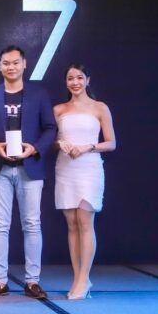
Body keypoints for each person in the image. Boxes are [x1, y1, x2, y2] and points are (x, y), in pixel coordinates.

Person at [0, 45, 57, 299]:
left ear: (24, 64)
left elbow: (50, 128)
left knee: (32, 224)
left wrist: (35, 148)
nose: (10, 67)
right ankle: (0, 281)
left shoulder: (39, 95)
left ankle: (33, 281)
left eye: (15, 62)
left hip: (29, 168)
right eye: (6, 63)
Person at [53, 64, 116, 300]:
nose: (75, 82)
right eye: (70, 78)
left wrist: (88, 147)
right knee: (71, 223)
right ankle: (78, 278)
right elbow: (52, 140)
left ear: (87, 80)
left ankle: (84, 278)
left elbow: (111, 143)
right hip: (65, 167)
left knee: (85, 221)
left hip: (89, 167)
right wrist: (60, 143)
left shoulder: (100, 108)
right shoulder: (59, 109)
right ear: (66, 82)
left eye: (79, 77)